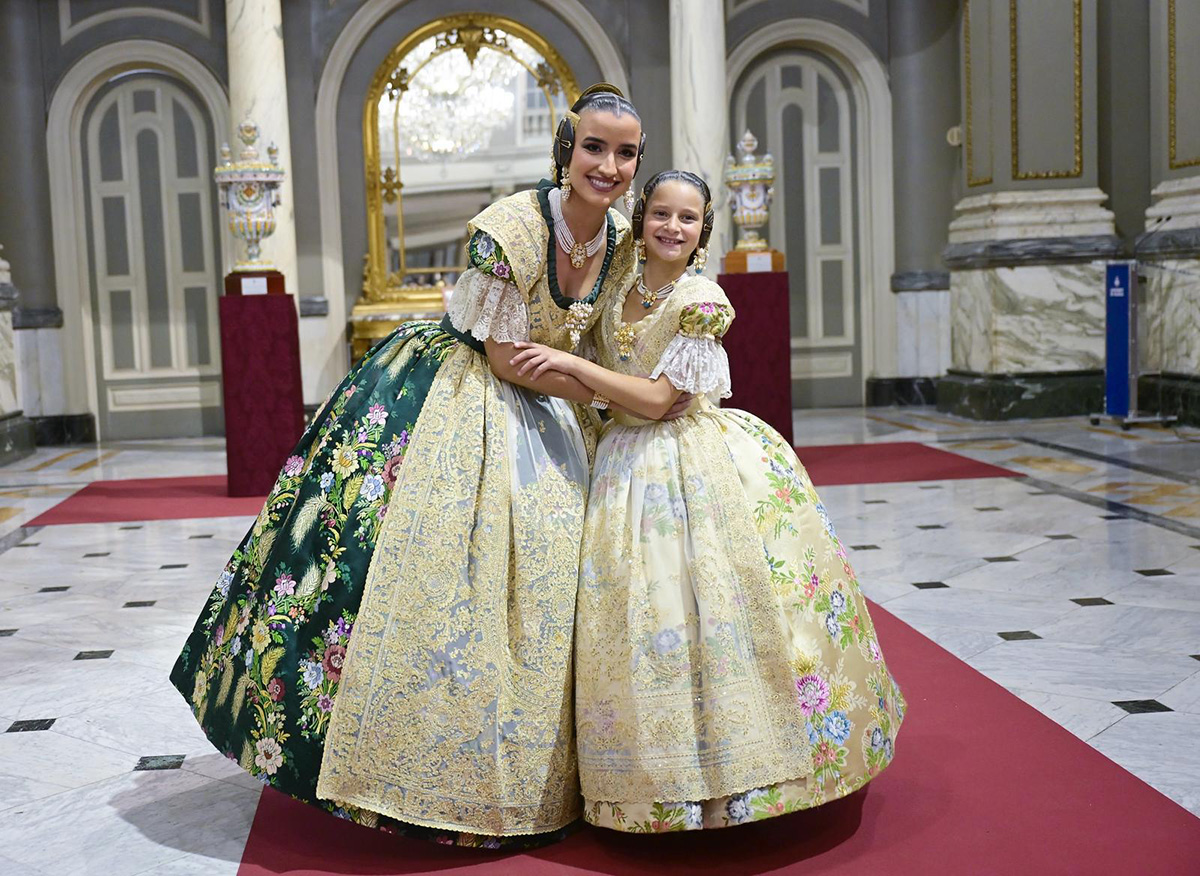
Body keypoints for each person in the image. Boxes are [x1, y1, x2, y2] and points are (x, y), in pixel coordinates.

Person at [170, 84, 644, 846]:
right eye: (595, 147)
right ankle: (421, 773)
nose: (609, 165)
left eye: (626, 153)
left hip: (557, 403)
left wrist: (621, 386)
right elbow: (506, 358)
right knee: (432, 574)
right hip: (464, 396)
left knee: (565, 580)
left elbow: (591, 341)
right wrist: (606, 389)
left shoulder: (620, 238)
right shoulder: (508, 229)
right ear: (566, 148)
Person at [509, 170, 906, 832]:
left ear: (704, 231)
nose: (672, 227)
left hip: (688, 463)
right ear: (641, 218)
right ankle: (646, 781)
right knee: (634, 616)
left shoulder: (701, 299)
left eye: (687, 218)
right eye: (661, 213)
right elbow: (605, 392)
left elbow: (662, 401)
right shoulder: (618, 292)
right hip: (619, 467)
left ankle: (737, 778)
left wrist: (576, 369)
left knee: (710, 606)